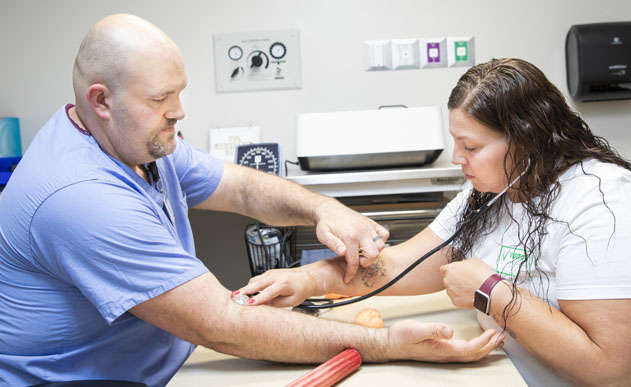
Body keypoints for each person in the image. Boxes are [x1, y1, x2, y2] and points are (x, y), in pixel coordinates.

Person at [0, 14, 504, 387]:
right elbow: (224, 324)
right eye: (159, 100)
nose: (178, 112)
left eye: (179, 93)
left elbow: (241, 187)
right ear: (100, 101)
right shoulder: (79, 198)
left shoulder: (135, 142)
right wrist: (386, 344)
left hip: (168, 359)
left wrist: (321, 209)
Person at [240, 58, 631, 386]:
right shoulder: (493, 193)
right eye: (455, 143)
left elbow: (616, 372)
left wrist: (491, 290)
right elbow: (404, 264)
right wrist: (308, 280)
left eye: (470, 147)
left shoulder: (609, 205)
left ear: (527, 139)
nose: (457, 160)